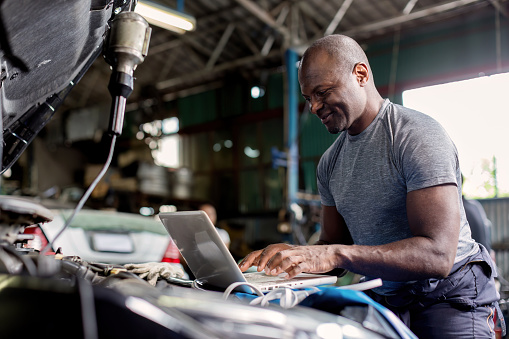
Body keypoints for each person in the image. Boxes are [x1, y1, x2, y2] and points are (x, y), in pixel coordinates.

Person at [239, 34, 502, 338]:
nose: (313, 107)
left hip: (448, 294)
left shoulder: (414, 136)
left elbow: (438, 255)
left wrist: (336, 254)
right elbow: (330, 249)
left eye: (322, 92)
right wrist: (295, 256)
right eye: (308, 97)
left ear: (360, 74)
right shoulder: (329, 164)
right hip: (388, 298)